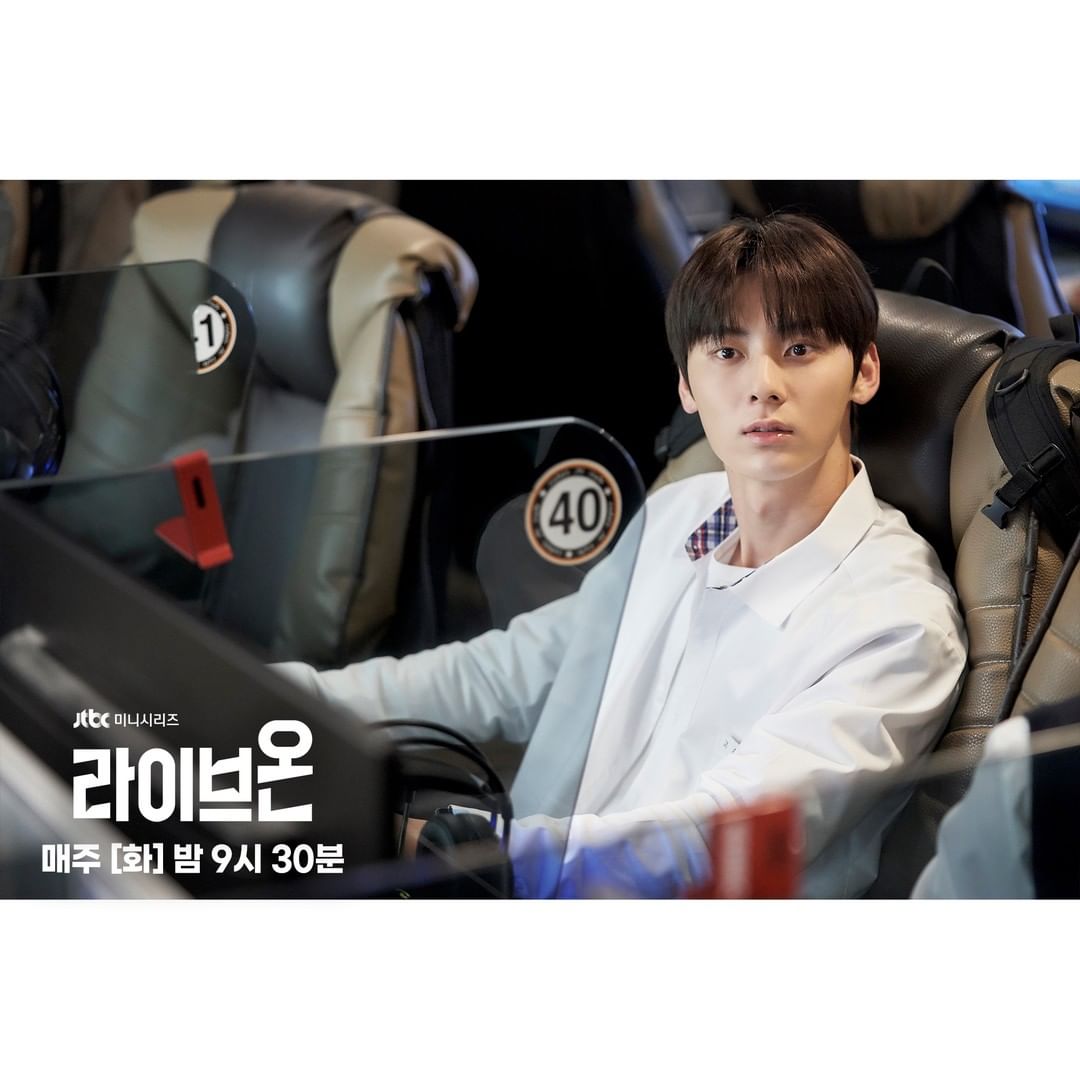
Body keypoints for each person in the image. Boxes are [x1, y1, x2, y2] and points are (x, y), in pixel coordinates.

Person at [276, 214, 968, 899]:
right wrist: (281, 701)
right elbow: (506, 671)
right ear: (687, 386)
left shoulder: (897, 623)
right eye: (727, 352)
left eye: (800, 348)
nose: (763, 383)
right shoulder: (680, 517)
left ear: (864, 371)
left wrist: (440, 850)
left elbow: (710, 842)